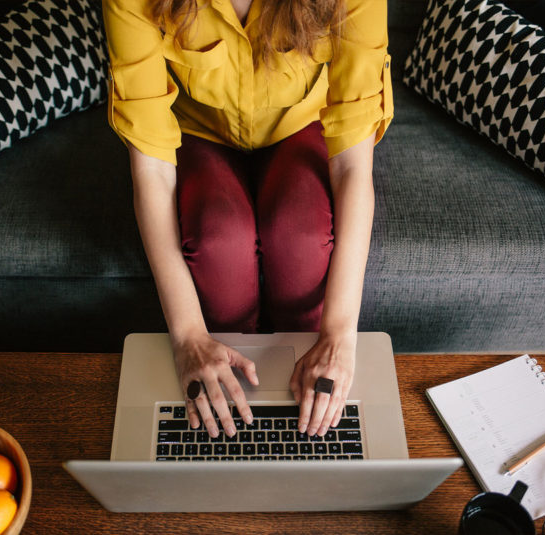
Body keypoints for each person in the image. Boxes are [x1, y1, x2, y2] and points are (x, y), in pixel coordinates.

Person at [102, 0, 392, 440]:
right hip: (201, 129)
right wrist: (188, 339)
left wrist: (339, 337)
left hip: (301, 123)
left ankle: (307, 414)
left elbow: (353, 164)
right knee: (218, 242)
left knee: (300, 239)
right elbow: (153, 167)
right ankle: (225, 409)